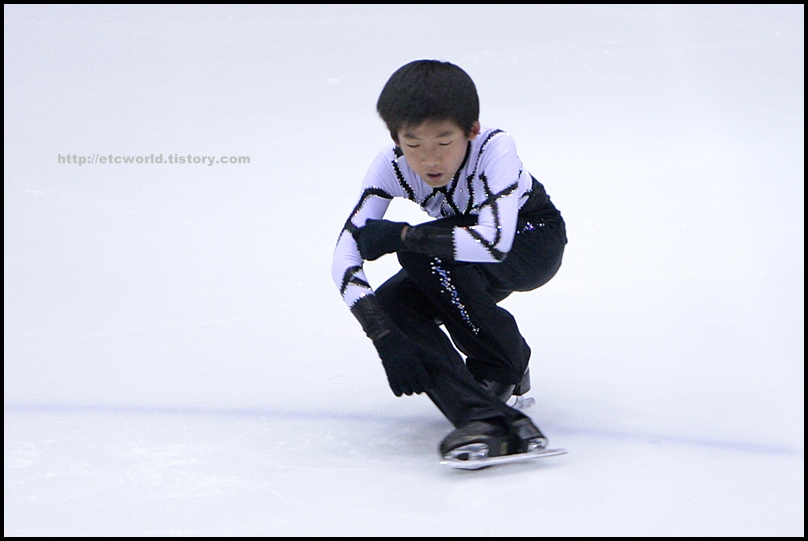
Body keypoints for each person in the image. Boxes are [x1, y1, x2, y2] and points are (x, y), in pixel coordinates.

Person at [330, 59, 567, 463]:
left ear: (470, 130)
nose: (430, 161)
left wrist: (407, 236)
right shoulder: (389, 167)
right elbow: (344, 256)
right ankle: (477, 412)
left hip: (530, 242)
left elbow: (494, 241)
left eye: (444, 142)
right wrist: (383, 335)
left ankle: (501, 362)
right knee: (392, 306)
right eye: (413, 145)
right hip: (458, 253)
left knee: (423, 257)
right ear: (395, 138)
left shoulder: (495, 148)